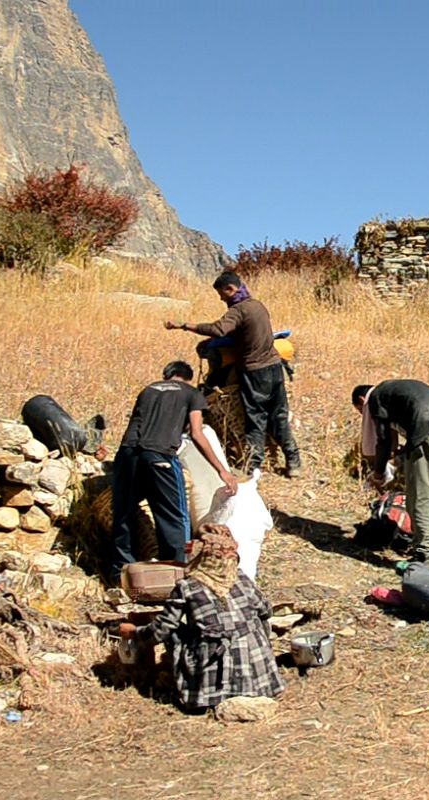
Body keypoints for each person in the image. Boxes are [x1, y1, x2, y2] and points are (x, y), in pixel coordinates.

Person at [118, 525, 285, 713]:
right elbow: (266, 610)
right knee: (255, 622)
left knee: (173, 631)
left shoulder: (187, 587)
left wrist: (135, 633)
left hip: (211, 658)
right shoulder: (241, 579)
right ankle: (260, 678)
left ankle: (203, 689)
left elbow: (163, 628)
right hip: (255, 663)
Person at [111, 361, 236, 583]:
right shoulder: (191, 392)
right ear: (186, 377)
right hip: (160, 456)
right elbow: (197, 433)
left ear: (166, 375)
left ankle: (120, 573)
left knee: (123, 513)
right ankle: (176, 576)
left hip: (127, 454)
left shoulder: (148, 390)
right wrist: (222, 471)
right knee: (175, 516)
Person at [165, 272, 302, 477]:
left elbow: (219, 329)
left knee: (255, 418)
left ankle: (253, 465)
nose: (222, 298)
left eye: (222, 294)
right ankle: (294, 462)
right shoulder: (257, 306)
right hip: (275, 368)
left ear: (231, 289)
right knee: (279, 415)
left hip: (255, 372)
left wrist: (185, 325)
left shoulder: (239, 310)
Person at [352, 380, 429, 564]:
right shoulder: (394, 391)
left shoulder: (375, 398)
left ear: (362, 400)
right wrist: (398, 460)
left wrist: (378, 473)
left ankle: (423, 554)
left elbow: (383, 440)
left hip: (426, 433)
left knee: (420, 496)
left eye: (361, 411)